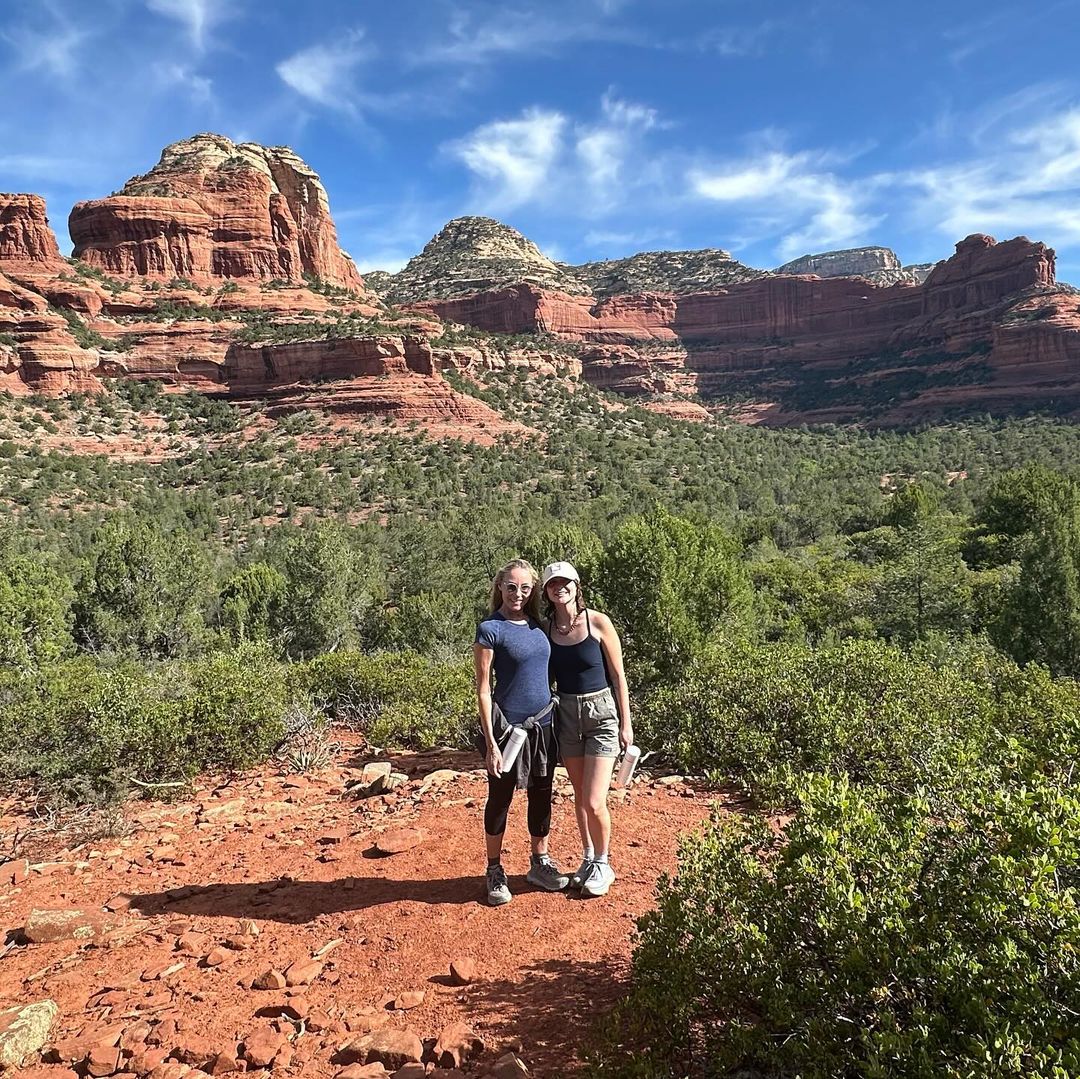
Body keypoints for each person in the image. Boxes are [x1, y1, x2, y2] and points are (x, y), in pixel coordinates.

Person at [474, 558, 570, 906]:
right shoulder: (490, 629)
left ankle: (539, 862)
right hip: (508, 730)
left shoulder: (540, 626)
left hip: (544, 725)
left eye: (525, 588)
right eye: (511, 587)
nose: (518, 593)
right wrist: (490, 744)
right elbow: (484, 689)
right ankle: (494, 868)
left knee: (542, 793)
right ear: (500, 586)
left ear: (533, 591)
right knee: (500, 797)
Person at [541, 560, 632, 898]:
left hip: (601, 713)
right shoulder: (547, 629)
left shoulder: (597, 622)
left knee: (595, 800)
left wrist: (627, 724)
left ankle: (604, 863)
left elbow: (619, 675)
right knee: (580, 799)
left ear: (577, 586)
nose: (559, 587)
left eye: (565, 582)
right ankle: (589, 858)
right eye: (552, 584)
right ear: (547, 592)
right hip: (566, 714)